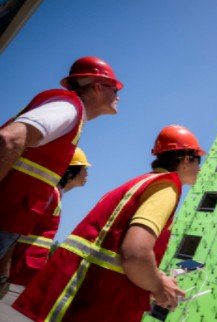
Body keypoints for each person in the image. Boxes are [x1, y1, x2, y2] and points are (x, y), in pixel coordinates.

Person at [12, 125, 205, 322]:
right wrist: (158, 286)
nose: (200, 168)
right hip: (99, 301)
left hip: (74, 292)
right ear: (186, 159)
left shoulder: (138, 184)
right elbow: (136, 254)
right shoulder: (167, 187)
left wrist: (155, 277)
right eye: (199, 160)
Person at [0, 56, 122, 260]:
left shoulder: (71, 113)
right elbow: (9, 139)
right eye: (115, 89)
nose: (119, 96)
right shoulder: (67, 109)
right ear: (99, 87)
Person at [0, 148, 91, 308]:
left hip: (21, 270)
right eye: (84, 168)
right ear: (70, 172)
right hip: (13, 269)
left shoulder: (55, 195)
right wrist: (4, 269)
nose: (87, 173)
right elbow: (16, 229)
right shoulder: (50, 194)